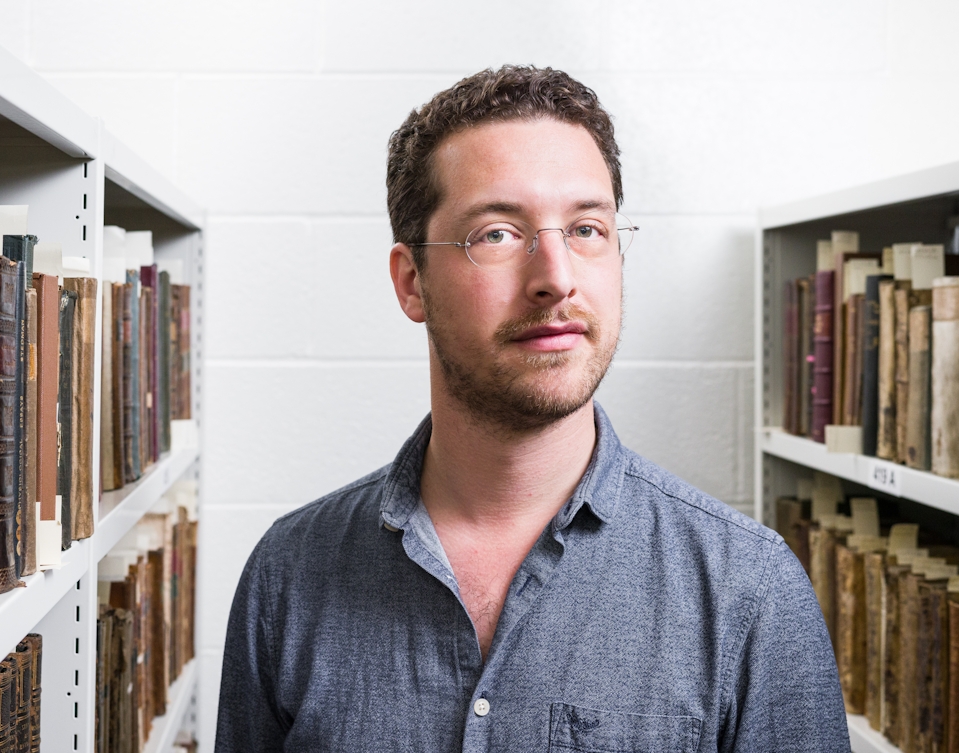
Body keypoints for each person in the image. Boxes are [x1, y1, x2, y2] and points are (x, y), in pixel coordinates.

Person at [216, 65, 848, 752]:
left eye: (586, 228)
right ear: (411, 283)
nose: (555, 278)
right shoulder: (286, 576)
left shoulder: (749, 591)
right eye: (497, 233)